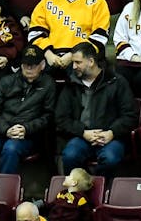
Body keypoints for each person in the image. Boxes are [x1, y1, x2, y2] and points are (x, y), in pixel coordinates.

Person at [55, 41, 135, 177]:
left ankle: (99, 191)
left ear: (91, 61)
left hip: (111, 138)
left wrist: (112, 132)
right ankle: (76, 193)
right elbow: (61, 118)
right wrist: (83, 132)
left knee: (110, 158)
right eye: (73, 62)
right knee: (69, 155)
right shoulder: (71, 85)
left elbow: (130, 115)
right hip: (81, 137)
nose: (73, 67)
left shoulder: (116, 82)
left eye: (78, 62)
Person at [0, 44, 55, 172]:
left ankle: (4, 188)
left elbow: (48, 116)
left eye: (33, 65)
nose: (29, 68)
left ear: (42, 65)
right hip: (0, 128)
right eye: (25, 64)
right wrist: (6, 129)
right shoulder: (7, 81)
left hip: (27, 134)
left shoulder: (48, 84)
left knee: (11, 149)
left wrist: (26, 129)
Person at [27, 0, 111, 68]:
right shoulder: (47, 1)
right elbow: (35, 32)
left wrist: (73, 55)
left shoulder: (96, 1)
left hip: (84, 57)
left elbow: (100, 36)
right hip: (52, 56)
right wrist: (48, 54)